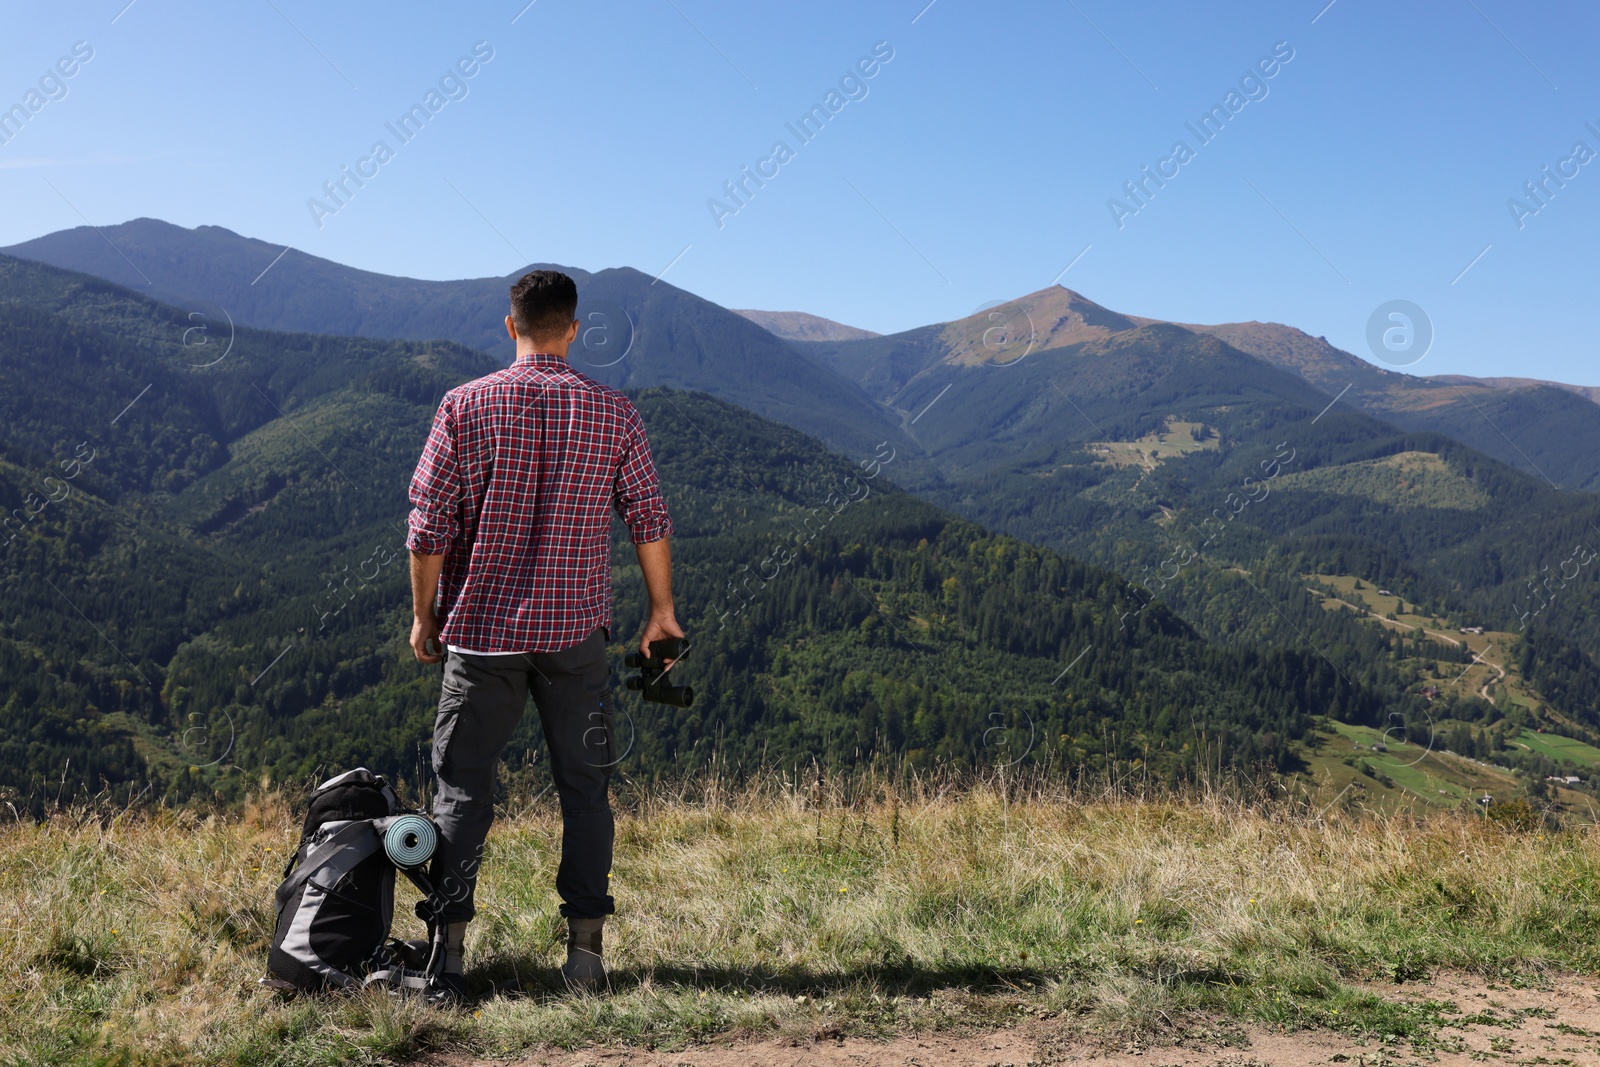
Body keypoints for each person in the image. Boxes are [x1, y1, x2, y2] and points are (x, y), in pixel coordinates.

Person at [405, 269, 682, 1001]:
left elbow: (428, 527)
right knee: (586, 791)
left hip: (483, 633)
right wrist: (661, 611)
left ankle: (449, 956)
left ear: (510, 326)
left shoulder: (463, 406)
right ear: (572, 327)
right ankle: (586, 956)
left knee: (461, 790)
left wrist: (424, 614)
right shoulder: (612, 412)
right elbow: (648, 517)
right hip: (574, 638)